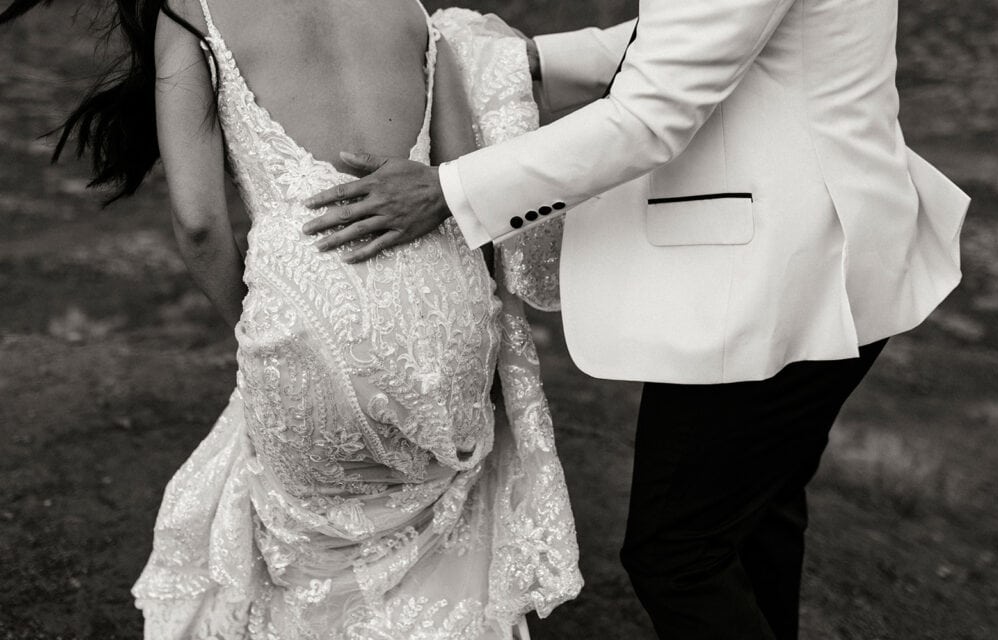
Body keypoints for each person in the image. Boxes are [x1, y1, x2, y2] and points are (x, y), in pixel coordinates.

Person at [300, 1, 971, 638]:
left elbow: (651, 116)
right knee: (754, 518)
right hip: (836, 245)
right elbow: (716, 30)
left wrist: (449, 190)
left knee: (679, 556)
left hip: (788, 274)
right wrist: (532, 61)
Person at [0, 0, 581, 637]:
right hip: (446, 320)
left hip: (307, 323)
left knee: (314, 567)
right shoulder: (412, 10)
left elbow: (199, 225)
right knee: (437, 562)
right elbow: (468, 188)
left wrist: (251, 330)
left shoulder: (194, 14)